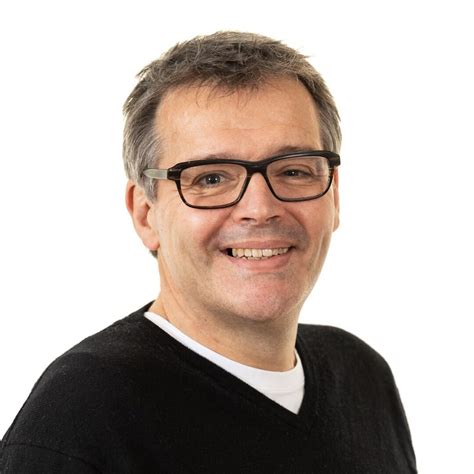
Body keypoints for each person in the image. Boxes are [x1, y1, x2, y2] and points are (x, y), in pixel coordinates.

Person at [0, 31, 417, 473]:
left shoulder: (360, 377)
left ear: (333, 197)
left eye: (294, 171)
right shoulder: (82, 417)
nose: (260, 209)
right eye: (211, 178)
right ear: (146, 214)